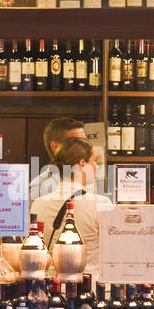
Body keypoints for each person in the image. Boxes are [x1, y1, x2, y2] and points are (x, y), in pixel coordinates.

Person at [28, 137, 111, 275]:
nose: (96, 167)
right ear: (82, 164)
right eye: (94, 162)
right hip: (90, 287)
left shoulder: (38, 204)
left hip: (49, 286)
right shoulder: (101, 204)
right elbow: (112, 253)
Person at [28, 117, 87, 198]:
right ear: (55, 146)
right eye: (76, 142)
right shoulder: (38, 188)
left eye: (85, 142)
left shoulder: (88, 179)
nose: (84, 147)